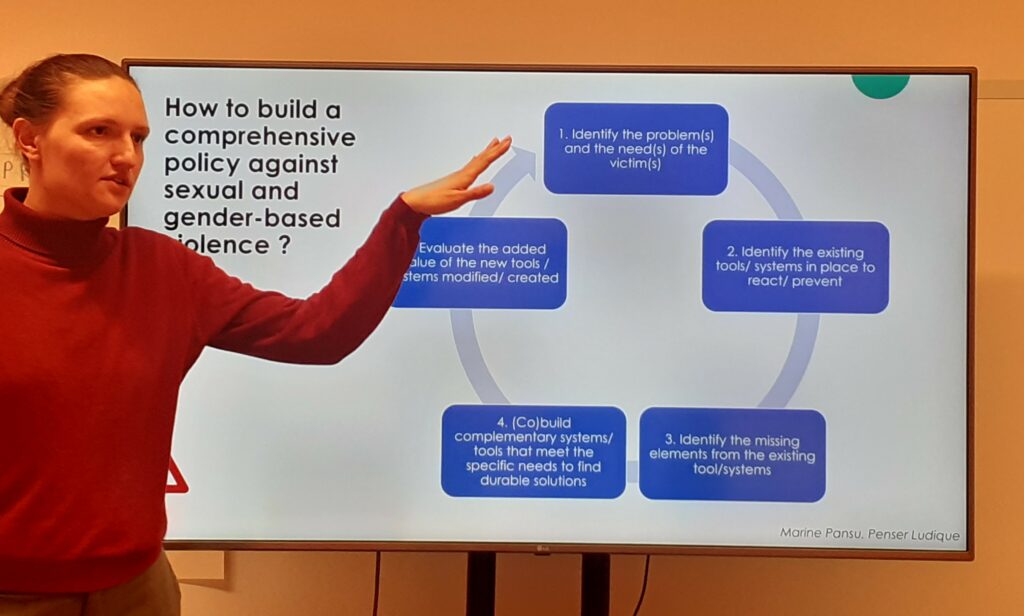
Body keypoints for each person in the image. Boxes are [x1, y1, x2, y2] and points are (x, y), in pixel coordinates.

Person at [0, 53, 511, 615]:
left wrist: (405, 216)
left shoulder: (162, 269)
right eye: (99, 131)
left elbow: (318, 333)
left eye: (138, 137)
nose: (126, 156)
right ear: (30, 139)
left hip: (138, 592)